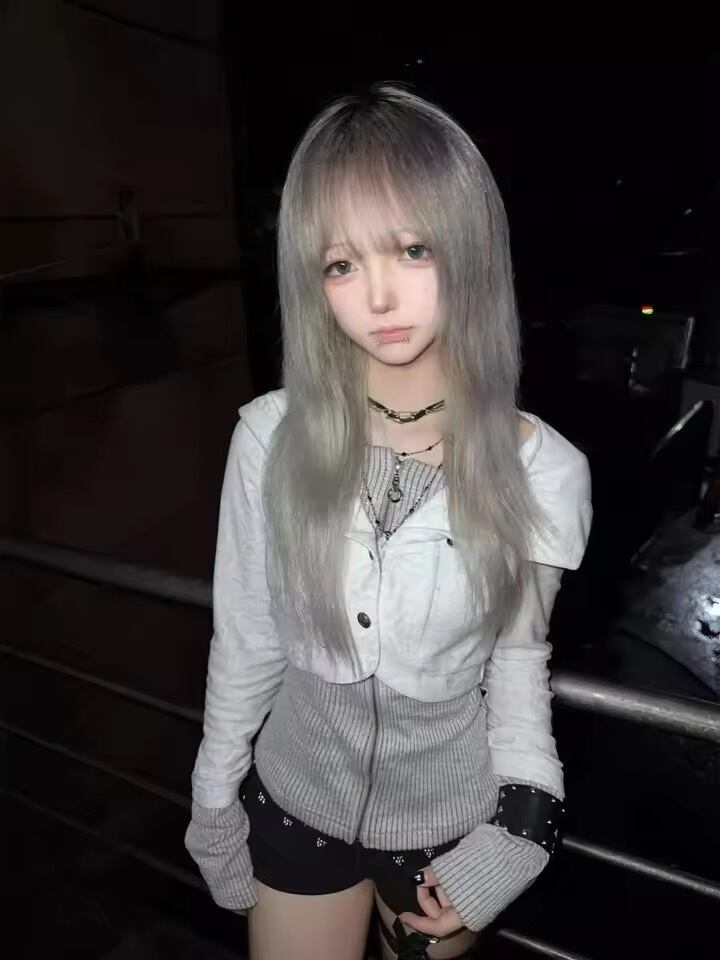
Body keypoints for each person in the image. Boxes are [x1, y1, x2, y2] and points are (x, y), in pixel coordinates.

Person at [184, 83, 593, 960]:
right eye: (340, 264)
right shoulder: (267, 439)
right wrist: (213, 797)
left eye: (412, 249)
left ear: (468, 249)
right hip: (294, 805)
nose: (378, 296)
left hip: (446, 837)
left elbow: (518, 666)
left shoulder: (544, 470)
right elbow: (247, 635)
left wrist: (523, 827)